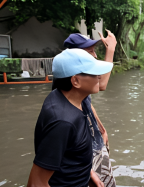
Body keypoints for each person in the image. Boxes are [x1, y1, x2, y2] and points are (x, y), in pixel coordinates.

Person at [27, 49, 113, 187]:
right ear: (75, 81)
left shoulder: (71, 99)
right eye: (93, 72)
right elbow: (36, 183)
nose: (99, 76)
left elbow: (70, 153)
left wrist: (89, 174)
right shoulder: (62, 122)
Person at [61, 32, 117, 187]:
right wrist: (88, 170)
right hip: (84, 153)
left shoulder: (82, 77)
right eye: (90, 51)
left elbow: (86, 101)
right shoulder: (71, 81)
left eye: (94, 51)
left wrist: (101, 128)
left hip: (93, 141)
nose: (95, 56)